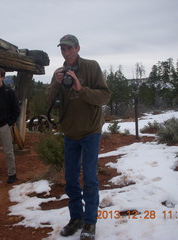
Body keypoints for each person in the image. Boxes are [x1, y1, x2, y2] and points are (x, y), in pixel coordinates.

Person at [48, 34, 111, 240]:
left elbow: (104, 96)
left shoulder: (92, 67)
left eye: (69, 48)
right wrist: (57, 84)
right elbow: (48, 100)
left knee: (90, 178)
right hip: (70, 132)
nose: (66, 52)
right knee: (71, 179)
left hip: (90, 131)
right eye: (63, 49)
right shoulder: (59, 72)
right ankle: (76, 218)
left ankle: (90, 223)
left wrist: (81, 89)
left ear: (77, 48)